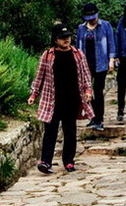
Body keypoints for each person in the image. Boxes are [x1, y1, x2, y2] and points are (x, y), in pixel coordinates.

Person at [29, 24, 93, 174]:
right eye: (63, 38)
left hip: (72, 99)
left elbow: (85, 74)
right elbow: (39, 76)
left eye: (68, 37)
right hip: (52, 100)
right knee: (50, 131)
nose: (66, 40)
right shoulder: (48, 55)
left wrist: (88, 90)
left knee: (70, 131)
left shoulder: (78, 54)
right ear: (55, 40)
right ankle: (45, 161)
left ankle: (69, 161)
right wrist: (34, 94)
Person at [75, 3, 116, 131]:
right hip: (85, 64)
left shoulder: (105, 26)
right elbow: (77, 47)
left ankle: (99, 118)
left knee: (98, 91)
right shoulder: (81, 28)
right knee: (88, 92)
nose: (91, 19)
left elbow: (111, 43)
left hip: (101, 63)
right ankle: (92, 117)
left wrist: (111, 60)